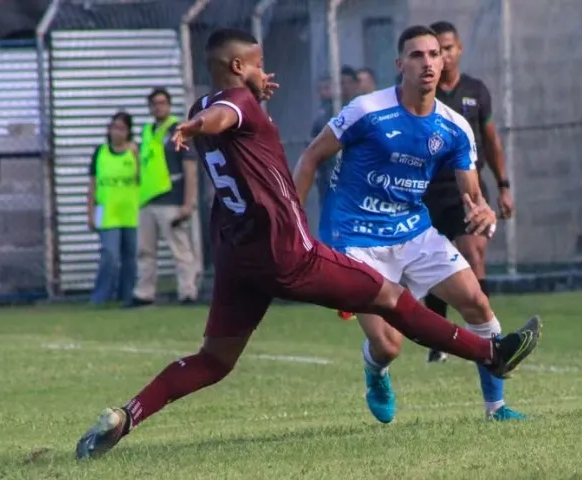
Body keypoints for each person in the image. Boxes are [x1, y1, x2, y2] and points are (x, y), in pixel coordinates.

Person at [73, 28, 541, 460]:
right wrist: (208, 122)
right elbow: (227, 116)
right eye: (258, 64)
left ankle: (126, 414)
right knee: (393, 300)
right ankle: (490, 354)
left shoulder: (204, 103)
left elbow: (226, 121)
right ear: (238, 68)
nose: (265, 73)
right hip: (290, 255)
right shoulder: (234, 108)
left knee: (214, 359)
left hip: (239, 257)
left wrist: (208, 118)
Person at [294, 25, 530, 424]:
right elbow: (310, 158)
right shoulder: (367, 110)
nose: (428, 63)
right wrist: (293, 225)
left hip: (413, 231)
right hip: (355, 237)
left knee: (477, 302)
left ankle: (497, 408)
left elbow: (470, 193)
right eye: (417, 55)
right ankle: (376, 370)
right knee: (390, 346)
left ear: (444, 61)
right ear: (399, 64)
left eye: (435, 54)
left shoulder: (454, 126)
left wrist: (484, 210)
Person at [423, 21, 513, 372]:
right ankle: (438, 340)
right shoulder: (423, 94)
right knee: (434, 268)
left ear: (458, 49)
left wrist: (503, 186)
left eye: (447, 48)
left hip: (470, 191)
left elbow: (490, 140)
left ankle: (487, 338)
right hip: (429, 193)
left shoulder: (476, 90)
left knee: (474, 252)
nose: (442, 55)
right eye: (435, 50)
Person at [129, 87, 200, 306]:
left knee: (180, 249)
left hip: (172, 199)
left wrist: (188, 202)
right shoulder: (148, 132)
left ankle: (187, 292)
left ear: (168, 106)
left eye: (162, 103)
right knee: (145, 251)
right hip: (148, 199)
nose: (158, 107)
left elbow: (190, 167)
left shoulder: (178, 131)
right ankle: (144, 293)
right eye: (154, 104)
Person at [87, 111, 140, 306]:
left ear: (128, 132)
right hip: (107, 213)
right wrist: (90, 213)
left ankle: (127, 295)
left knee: (130, 257)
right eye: (113, 127)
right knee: (110, 255)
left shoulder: (135, 152)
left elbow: (143, 179)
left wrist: (136, 157)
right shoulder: (100, 153)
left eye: (121, 128)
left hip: (130, 212)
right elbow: (92, 185)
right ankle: (100, 296)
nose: (116, 132)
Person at [311, 66, 360, 208]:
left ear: (356, 85)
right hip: (330, 173)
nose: (344, 87)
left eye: (347, 82)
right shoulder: (327, 112)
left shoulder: (364, 109)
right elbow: (314, 141)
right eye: (340, 83)